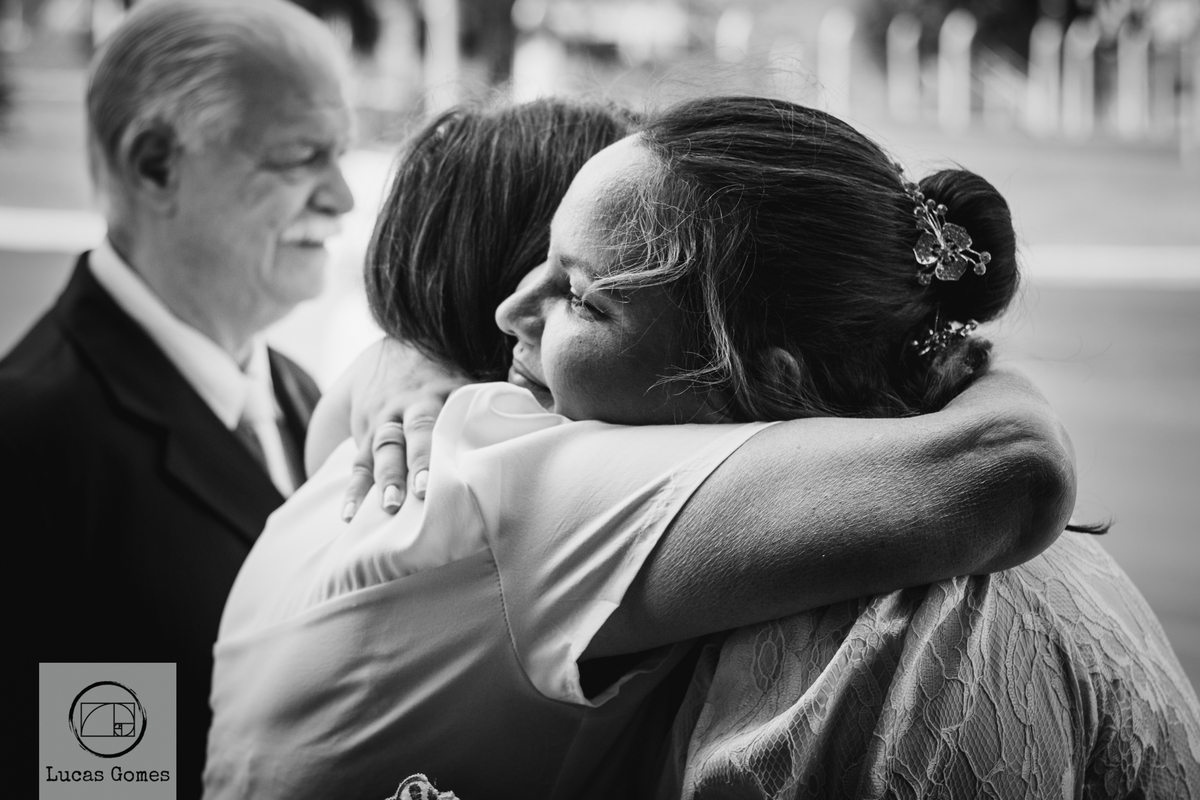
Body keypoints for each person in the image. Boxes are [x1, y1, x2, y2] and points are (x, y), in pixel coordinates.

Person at [203, 97, 1090, 800]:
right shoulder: (522, 470)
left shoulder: (373, 440)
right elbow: (1010, 470)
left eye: (580, 294)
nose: (519, 312)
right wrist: (956, 359)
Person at [0, 0, 354, 793]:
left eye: (341, 155)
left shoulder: (299, 392)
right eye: (301, 157)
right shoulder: (30, 447)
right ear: (156, 164)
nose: (341, 197)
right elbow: (99, 779)